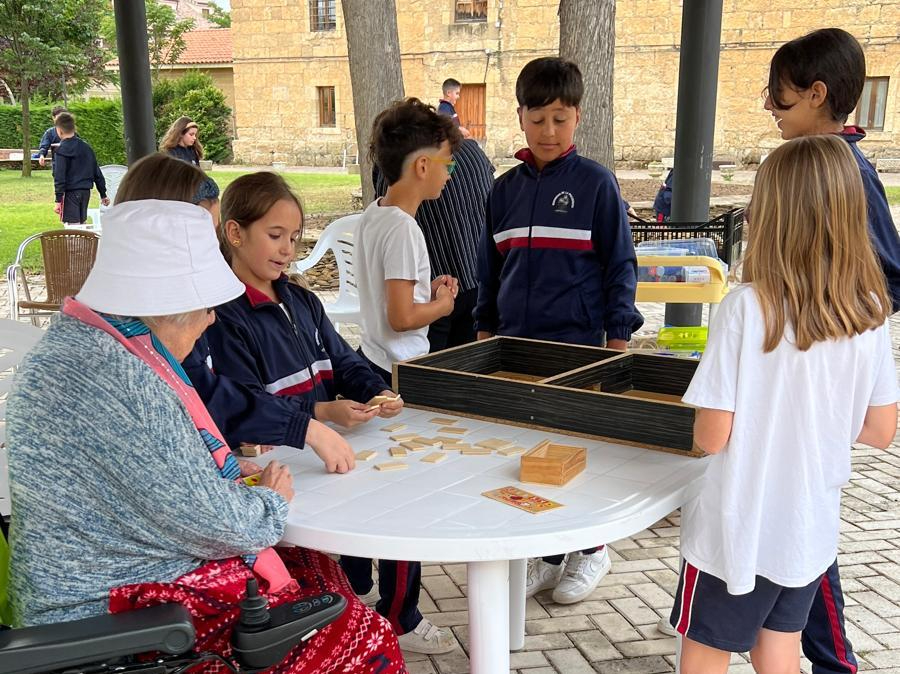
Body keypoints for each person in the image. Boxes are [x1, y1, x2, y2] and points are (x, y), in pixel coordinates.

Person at [6, 199, 407, 673]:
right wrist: (268, 500)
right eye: (206, 307)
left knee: (313, 566)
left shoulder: (89, 344)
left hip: (99, 585)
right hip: (113, 620)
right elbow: (215, 523)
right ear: (170, 308)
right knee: (362, 636)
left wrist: (227, 475)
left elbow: (157, 481)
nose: (213, 319)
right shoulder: (119, 377)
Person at [670, 134, 897, 674]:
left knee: (704, 652)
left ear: (769, 215)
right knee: (780, 650)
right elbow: (881, 429)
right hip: (808, 527)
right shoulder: (868, 312)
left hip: (735, 529)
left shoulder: (744, 309)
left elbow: (711, 436)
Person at [475, 57, 644, 605]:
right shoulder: (502, 191)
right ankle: (546, 554)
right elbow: (489, 269)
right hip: (514, 346)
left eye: (561, 119)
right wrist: (484, 330)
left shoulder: (596, 184)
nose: (549, 131)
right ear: (520, 116)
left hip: (576, 345)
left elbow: (621, 264)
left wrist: (616, 343)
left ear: (578, 118)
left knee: (577, 451)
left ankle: (591, 551)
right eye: (538, 118)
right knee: (528, 449)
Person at [348, 97, 462, 654]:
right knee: (405, 499)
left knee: (377, 489)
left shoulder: (373, 217)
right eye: (447, 163)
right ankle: (402, 616)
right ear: (422, 166)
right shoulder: (404, 231)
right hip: (401, 372)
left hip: (374, 362)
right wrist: (440, 305)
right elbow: (401, 316)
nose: (448, 173)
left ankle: (358, 592)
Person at [206, 172, 403, 476]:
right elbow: (245, 402)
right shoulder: (222, 317)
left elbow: (343, 361)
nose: (287, 249)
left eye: (294, 237)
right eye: (275, 235)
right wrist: (319, 413)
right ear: (235, 232)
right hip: (275, 466)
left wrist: (376, 391)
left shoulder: (303, 301)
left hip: (322, 455)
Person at [374, 138, 495, 351]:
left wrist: (436, 299)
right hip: (470, 285)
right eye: (449, 166)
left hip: (435, 295)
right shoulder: (471, 150)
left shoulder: (382, 214)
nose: (449, 175)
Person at [52, 112, 109, 225]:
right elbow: (97, 173)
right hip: (85, 192)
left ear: (59, 130)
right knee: (82, 223)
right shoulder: (86, 148)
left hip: (71, 193)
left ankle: (76, 243)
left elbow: (59, 176)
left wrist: (58, 200)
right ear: (74, 128)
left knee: (73, 228)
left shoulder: (61, 150)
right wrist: (103, 194)